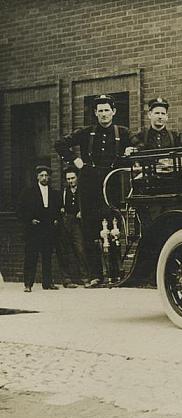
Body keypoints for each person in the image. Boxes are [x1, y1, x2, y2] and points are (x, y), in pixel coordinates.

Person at [54, 94, 131, 286]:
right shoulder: (86, 132)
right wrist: (74, 160)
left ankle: (115, 274)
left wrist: (131, 151)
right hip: (89, 186)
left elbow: (138, 144)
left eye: (107, 110)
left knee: (113, 229)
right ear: (95, 113)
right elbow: (60, 144)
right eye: (100, 111)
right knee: (90, 231)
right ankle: (95, 275)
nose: (104, 114)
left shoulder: (122, 132)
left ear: (114, 112)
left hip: (113, 185)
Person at [18, 165, 61, 292]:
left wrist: (56, 219)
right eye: (41, 175)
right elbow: (20, 210)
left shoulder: (54, 193)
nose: (44, 178)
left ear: (49, 177)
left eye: (46, 175)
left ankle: (47, 283)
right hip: (34, 230)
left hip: (48, 229)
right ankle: (28, 284)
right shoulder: (28, 192)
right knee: (31, 257)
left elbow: (58, 209)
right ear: (37, 177)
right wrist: (30, 220)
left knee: (47, 256)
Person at [56, 168, 90, 288]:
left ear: (77, 178)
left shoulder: (83, 191)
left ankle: (85, 278)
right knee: (65, 251)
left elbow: (90, 205)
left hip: (77, 223)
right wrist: (61, 209)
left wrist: (83, 212)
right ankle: (67, 279)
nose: (70, 181)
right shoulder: (64, 191)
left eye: (72, 178)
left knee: (80, 249)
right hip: (66, 221)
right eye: (68, 179)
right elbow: (59, 205)